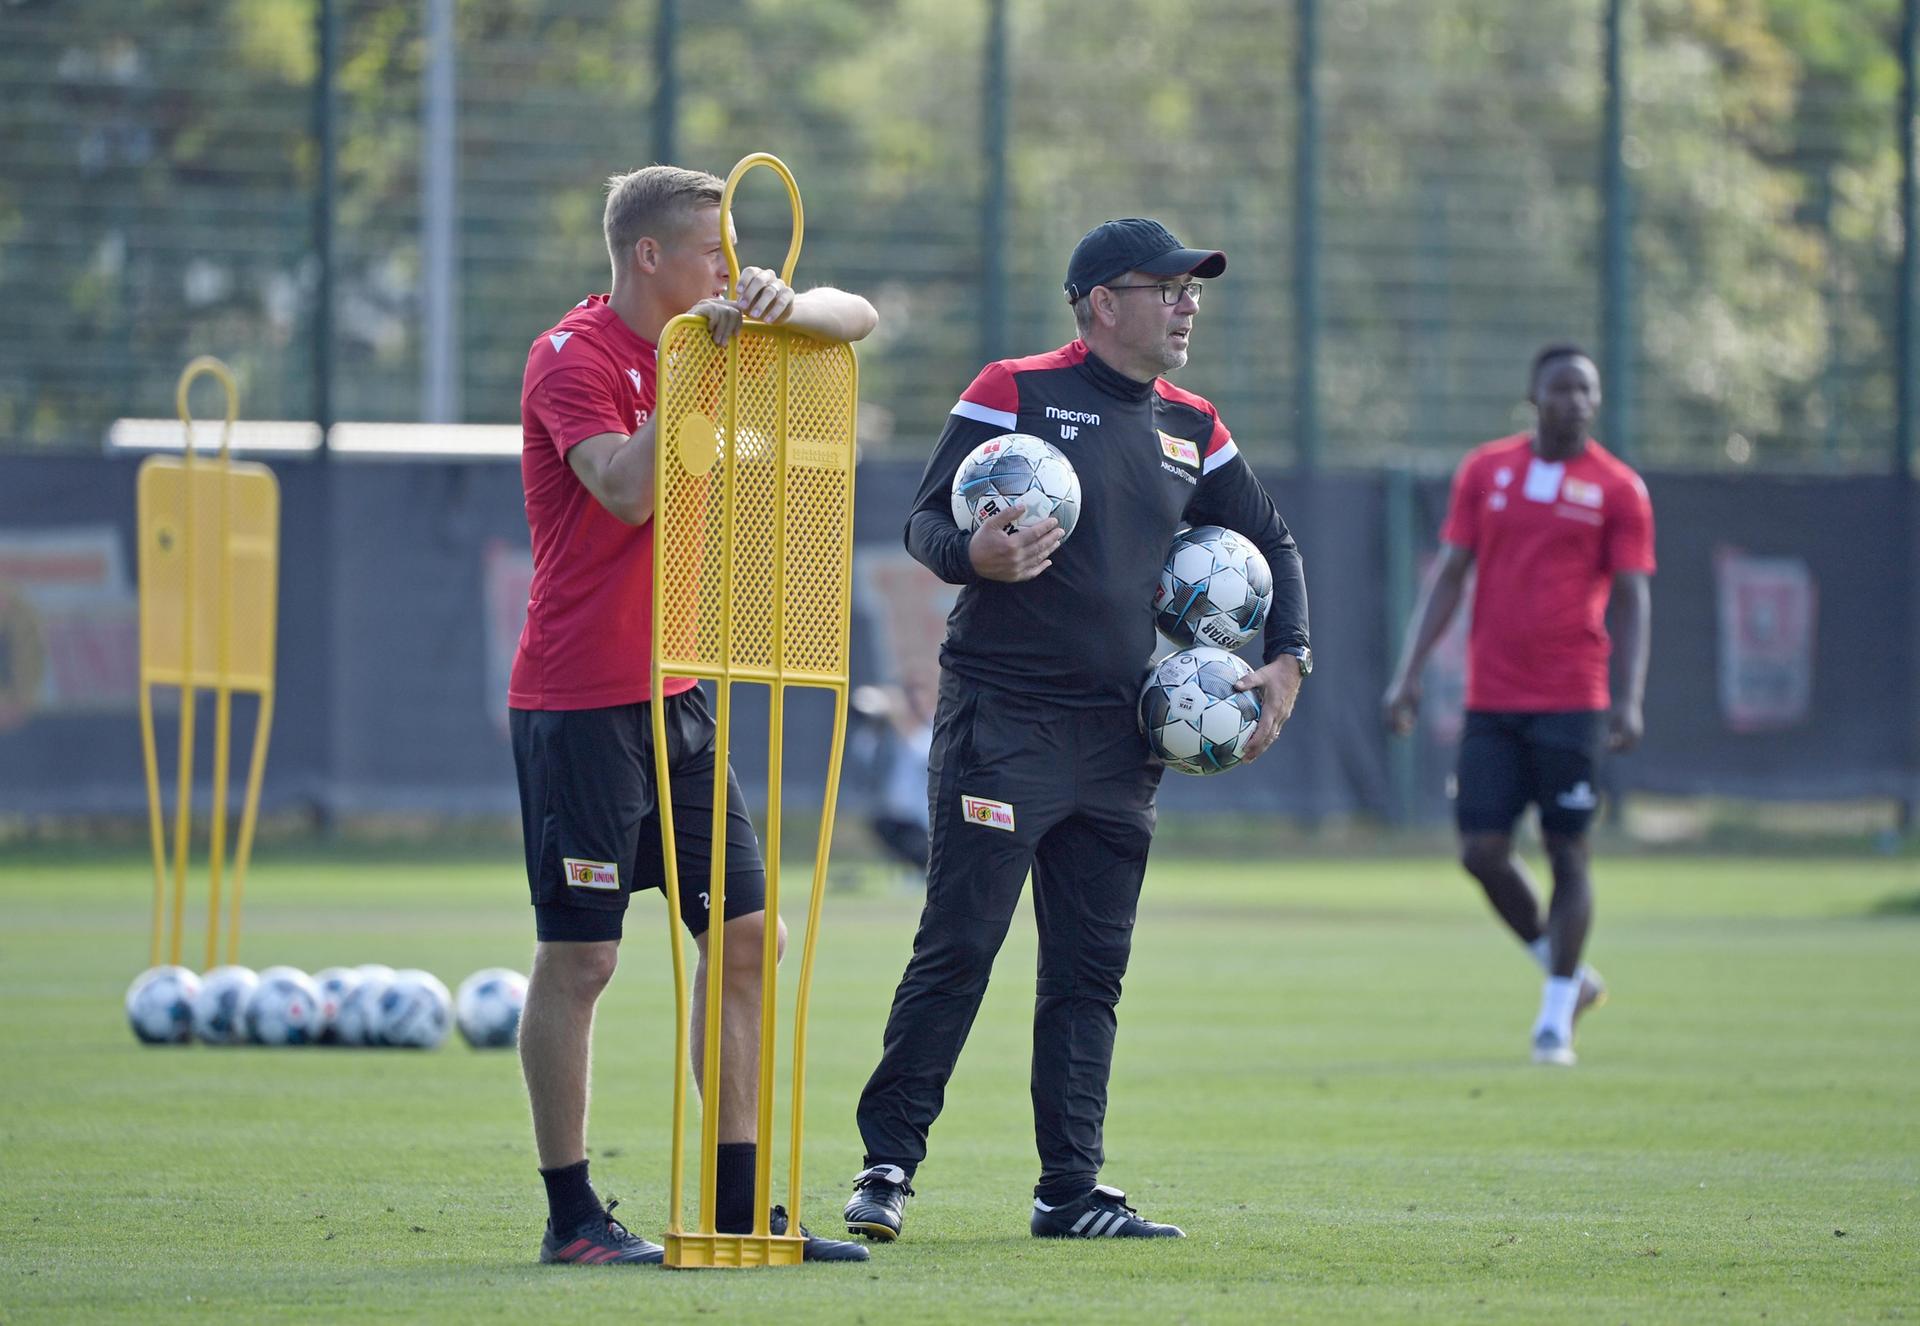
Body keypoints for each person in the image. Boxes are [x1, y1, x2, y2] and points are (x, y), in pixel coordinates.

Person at [842, 218, 1310, 1243]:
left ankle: (1069, 1190)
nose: (1189, 302)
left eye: (1196, 288)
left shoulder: (1194, 423)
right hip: (1002, 720)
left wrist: (1289, 660)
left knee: (1090, 971)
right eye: (1169, 285)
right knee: (960, 945)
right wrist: (977, 556)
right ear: (1103, 301)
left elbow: (1268, 538)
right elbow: (929, 523)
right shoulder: (1018, 390)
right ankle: (886, 1166)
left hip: (1121, 735)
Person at [510, 164, 877, 1265]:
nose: (728, 267)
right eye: (715, 253)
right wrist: (691, 378)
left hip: (679, 689)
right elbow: (626, 488)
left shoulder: (719, 333)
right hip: (579, 701)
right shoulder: (571, 355)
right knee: (583, 960)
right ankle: (573, 1216)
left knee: (747, 937)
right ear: (649, 259)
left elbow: (857, 320)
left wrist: (783, 307)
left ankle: (737, 1201)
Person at [1381, 343, 1654, 1068]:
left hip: (1575, 700)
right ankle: (1560, 967)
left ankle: (1555, 1017)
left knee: (1569, 850)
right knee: (1481, 851)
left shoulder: (1618, 488)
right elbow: (1452, 576)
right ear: (1534, 398)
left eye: (1587, 390)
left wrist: (1628, 699)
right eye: (1562, 389)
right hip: (1493, 697)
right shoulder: (1487, 471)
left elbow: (1631, 597)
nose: (1576, 402)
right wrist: (1407, 674)